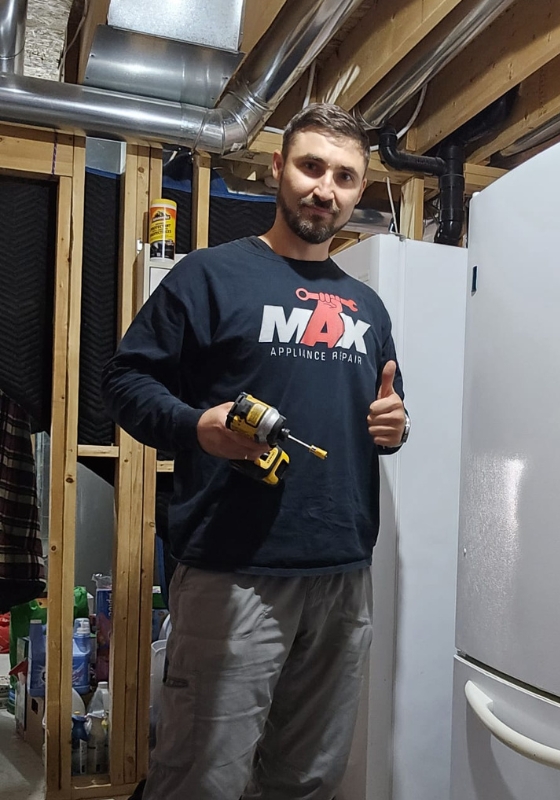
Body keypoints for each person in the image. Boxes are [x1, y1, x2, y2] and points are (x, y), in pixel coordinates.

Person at [101, 103, 409, 800]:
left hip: (342, 575)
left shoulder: (368, 307)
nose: (324, 189)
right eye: (310, 167)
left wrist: (398, 425)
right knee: (202, 779)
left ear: (359, 190)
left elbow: (385, 412)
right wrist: (196, 426)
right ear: (277, 168)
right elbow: (124, 381)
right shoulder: (209, 276)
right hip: (232, 572)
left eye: (344, 176)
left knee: (308, 780)